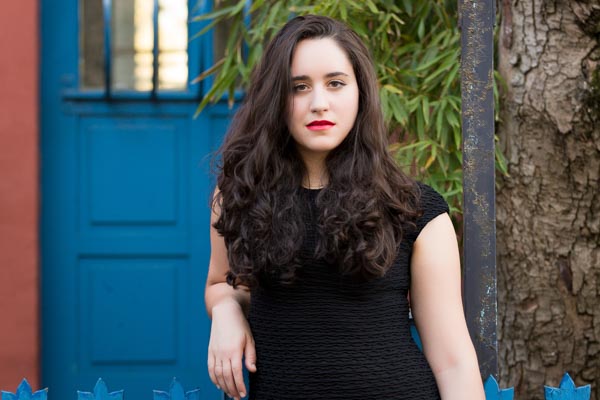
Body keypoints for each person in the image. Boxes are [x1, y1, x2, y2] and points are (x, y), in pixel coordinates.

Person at [204, 14, 485, 400]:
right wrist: (226, 312)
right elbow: (222, 283)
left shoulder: (414, 210)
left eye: (335, 83)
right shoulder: (239, 198)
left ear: (360, 93)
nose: (319, 103)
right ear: (275, 99)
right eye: (298, 87)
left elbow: (453, 360)